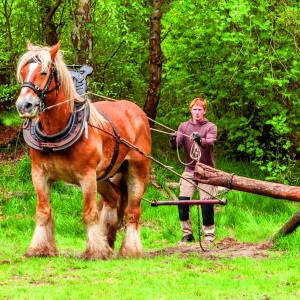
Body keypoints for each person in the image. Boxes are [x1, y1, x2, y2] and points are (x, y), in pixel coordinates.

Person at [170, 97, 217, 244]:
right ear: (191, 110)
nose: (197, 112)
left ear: (204, 111)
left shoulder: (210, 126)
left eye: (200, 109)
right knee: (182, 201)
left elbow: (209, 143)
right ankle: (187, 234)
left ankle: (209, 236)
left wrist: (199, 140)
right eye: (194, 109)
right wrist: (172, 140)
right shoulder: (183, 126)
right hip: (189, 169)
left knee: (207, 202)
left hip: (206, 170)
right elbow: (176, 146)